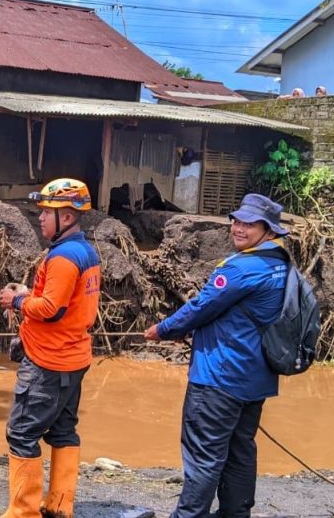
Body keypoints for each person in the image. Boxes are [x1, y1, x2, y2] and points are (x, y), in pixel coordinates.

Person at [143, 193, 289, 518]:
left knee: (203, 456)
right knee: (240, 453)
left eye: (249, 223)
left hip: (219, 380)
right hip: (256, 380)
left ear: (268, 229)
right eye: (236, 220)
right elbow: (238, 315)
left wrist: (162, 329)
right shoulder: (281, 264)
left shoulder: (240, 268)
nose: (238, 228)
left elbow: (202, 306)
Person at [0, 178, 101, 518]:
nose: (40, 218)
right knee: (63, 430)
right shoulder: (86, 252)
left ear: (68, 217)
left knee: (22, 432)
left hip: (48, 361)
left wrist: (17, 300)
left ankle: (23, 513)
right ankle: (59, 506)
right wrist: (31, 294)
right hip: (74, 356)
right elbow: (65, 303)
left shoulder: (63, 258)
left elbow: (51, 310)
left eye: (47, 212)